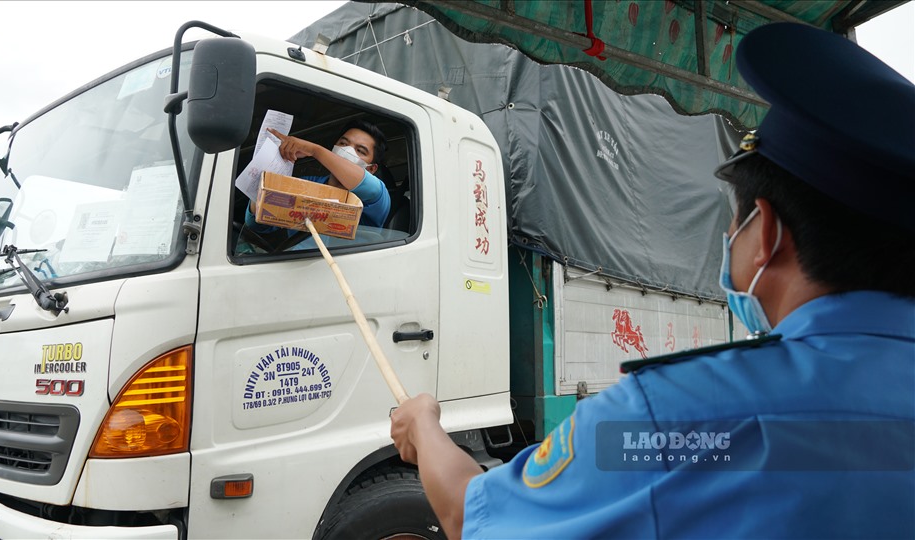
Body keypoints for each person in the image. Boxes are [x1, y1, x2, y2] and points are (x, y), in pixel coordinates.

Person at [390, 22, 915, 539]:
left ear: (768, 232)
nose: (729, 236)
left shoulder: (679, 418)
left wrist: (426, 427)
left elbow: (472, 517)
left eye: (734, 221)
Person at [243, 118, 391, 243]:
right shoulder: (306, 186)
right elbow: (256, 223)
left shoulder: (378, 198)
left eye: (360, 151)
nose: (347, 151)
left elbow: (367, 185)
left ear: (371, 169)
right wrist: (268, 171)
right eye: (343, 144)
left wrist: (314, 150)